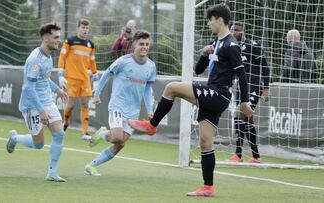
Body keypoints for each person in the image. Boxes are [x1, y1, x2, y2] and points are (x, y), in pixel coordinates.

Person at [129, 4, 253, 197]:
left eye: (210, 20)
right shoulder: (217, 42)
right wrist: (204, 54)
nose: (208, 23)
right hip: (213, 95)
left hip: (218, 94)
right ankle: (208, 188)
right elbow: (198, 70)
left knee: (171, 88)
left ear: (219, 20)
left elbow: (242, 75)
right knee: (205, 143)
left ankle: (152, 125)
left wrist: (244, 102)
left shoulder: (231, 45)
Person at [84, 30, 156, 176]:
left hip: (133, 111)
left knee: (120, 144)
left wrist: (149, 109)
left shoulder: (151, 66)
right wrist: (96, 94)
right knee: (116, 137)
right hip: (118, 106)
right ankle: (104, 133)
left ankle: (91, 165)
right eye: (142, 44)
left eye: (147, 44)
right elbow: (106, 74)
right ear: (134, 44)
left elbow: (148, 89)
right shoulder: (123, 61)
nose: (145, 47)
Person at [6, 22, 68, 182]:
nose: (58, 41)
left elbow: (45, 78)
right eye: (55, 38)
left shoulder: (49, 55)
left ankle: (52, 173)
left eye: (59, 38)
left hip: (46, 100)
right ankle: (15, 138)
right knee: (39, 144)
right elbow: (29, 89)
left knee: (59, 133)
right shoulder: (35, 60)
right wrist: (41, 111)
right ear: (46, 38)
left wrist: (57, 90)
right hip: (32, 105)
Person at [227, 22, 271, 163]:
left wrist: (266, 88)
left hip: (254, 86)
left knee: (240, 116)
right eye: (232, 30)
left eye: (237, 30)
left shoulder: (253, 46)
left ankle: (238, 155)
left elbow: (265, 66)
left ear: (243, 32)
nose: (233, 32)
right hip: (241, 87)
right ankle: (256, 156)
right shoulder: (233, 48)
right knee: (248, 120)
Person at [57, 19, 98, 140]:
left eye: (87, 28)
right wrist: (60, 74)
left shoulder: (91, 44)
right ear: (78, 28)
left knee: (85, 104)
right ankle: (65, 125)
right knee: (70, 104)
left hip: (85, 79)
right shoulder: (70, 41)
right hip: (71, 78)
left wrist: (96, 76)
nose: (85, 30)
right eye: (83, 28)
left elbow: (92, 61)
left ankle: (85, 132)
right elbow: (62, 57)